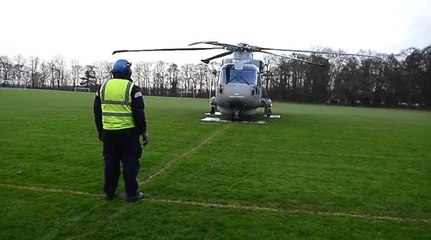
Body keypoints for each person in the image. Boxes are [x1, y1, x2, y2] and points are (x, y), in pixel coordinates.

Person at [93, 59, 148, 202]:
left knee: (110, 163)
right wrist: (143, 132)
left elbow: (97, 112)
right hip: (128, 133)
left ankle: (110, 192)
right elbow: (139, 113)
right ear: (128, 71)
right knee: (130, 163)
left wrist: (101, 131)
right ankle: (132, 193)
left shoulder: (103, 87)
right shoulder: (132, 88)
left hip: (108, 133)